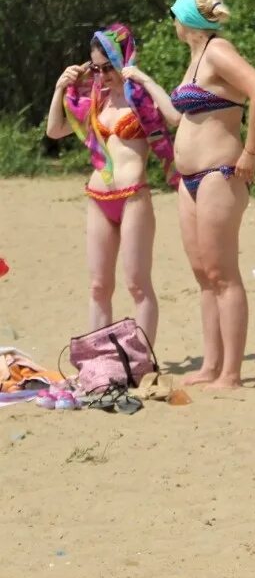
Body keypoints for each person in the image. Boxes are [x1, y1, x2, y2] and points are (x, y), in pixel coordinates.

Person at [123, 0, 255, 389]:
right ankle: (211, 365)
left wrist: (251, 152)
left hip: (219, 175)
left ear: (183, 18)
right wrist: (143, 79)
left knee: (223, 274)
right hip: (190, 179)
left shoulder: (218, 50)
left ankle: (231, 373)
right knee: (203, 275)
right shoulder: (195, 58)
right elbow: (177, 117)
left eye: (173, 14)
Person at [44, 23, 174, 345]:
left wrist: (143, 77)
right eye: (98, 69)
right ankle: (98, 360)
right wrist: (60, 89)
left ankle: (142, 358)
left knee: (137, 284)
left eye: (110, 67)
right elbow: (55, 130)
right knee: (99, 286)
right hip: (98, 198)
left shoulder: (140, 100)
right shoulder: (95, 101)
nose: (104, 75)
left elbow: (174, 117)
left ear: (123, 59)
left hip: (132, 197)